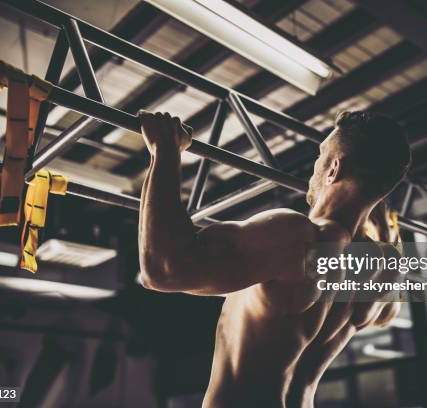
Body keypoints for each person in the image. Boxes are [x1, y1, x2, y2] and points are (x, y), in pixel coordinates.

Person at [137, 110, 411, 407]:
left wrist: (164, 150)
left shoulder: (298, 236)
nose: (314, 167)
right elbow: (385, 315)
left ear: (333, 169)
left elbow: (163, 270)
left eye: (320, 156)